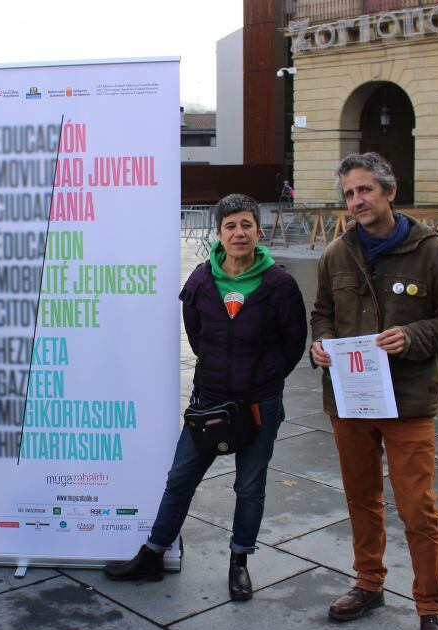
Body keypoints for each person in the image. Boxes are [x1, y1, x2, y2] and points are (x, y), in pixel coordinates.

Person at [103, 193, 307, 599]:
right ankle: (153, 553)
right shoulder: (200, 280)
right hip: (209, 401)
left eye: (246, 225)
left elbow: (293, 343)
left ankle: (239, 561)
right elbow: (197, 336)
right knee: (180, 478)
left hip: (259, 404)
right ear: (219, 233)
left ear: (258, 231)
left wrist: (263, 378)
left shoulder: (279, 284)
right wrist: (219, 372)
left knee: (249, 487)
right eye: (230, 226)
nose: (239, 233)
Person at [310, 152, 438, 630]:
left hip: (407, 401)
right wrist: (320, 345)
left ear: (389, 192)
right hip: (351, 400)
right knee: (361, 497)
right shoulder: (336, 253)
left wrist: (415, 335)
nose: (356, 201)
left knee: (417, 507)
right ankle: (369, 583)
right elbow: (322, 314)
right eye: (350, 193)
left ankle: (430, 607)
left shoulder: (431, 252)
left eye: (365, 191)